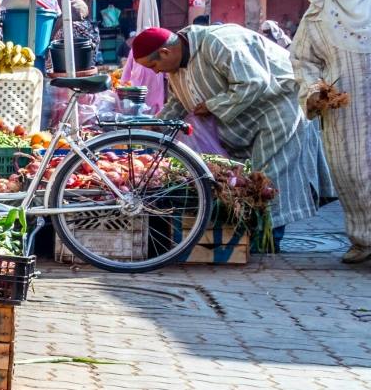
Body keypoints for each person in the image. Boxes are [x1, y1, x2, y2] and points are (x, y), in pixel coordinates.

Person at [131, 23, 326, 241]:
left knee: (270, 176)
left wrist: (213, 105)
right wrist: (156, 126)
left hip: (276, 110)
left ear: (166, 52)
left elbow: (253, 81)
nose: (155, 71)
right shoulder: (176, 67)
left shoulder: (218, 41)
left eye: (154, 64)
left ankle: (269, 238)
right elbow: (179, 102)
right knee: (248, 179)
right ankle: (256, 234)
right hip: (243, 122)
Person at [291, 0, 371, 262]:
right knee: (353, 174)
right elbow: (302, 60)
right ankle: (363, 239)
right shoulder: (316, 20)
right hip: (344, 110)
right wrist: (315, 90)